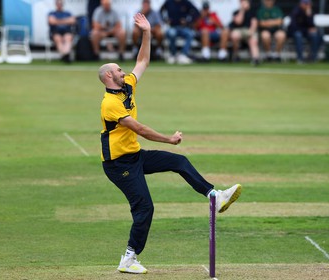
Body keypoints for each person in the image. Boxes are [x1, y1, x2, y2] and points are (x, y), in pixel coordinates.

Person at [98, 13, 242, 274]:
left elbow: (143, 60)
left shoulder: (127, 85)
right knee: (145, 207)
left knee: (179, 162)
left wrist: (147, 32)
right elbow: (140, 129)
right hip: (118, 165)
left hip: (134, 155)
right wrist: (169, 139)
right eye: (118, 69)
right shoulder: (110, 104)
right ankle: (128, 259)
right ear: (109, 76)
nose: (123, 71)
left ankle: (214, 196)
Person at [160, 0, 200, 64]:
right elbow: (161, 11)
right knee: (171, 34)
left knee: (190, 34)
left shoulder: (186, 2)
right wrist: (165, 20)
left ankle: (183, 55)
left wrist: (188, 21)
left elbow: (196, 12)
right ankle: (173, 55)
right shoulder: (169, 2)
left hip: (183, 27)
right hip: (172, 27)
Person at [229, 0, 260, 66]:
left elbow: (254, 24)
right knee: (234, 35)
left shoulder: (252, 12)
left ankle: (255, 59)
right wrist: (242, 10)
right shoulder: (236, 12)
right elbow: (238, 21)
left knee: (253, 40)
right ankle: (236, 55)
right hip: (239, 31)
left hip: (249, 31)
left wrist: (250, 33)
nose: (243, 3)